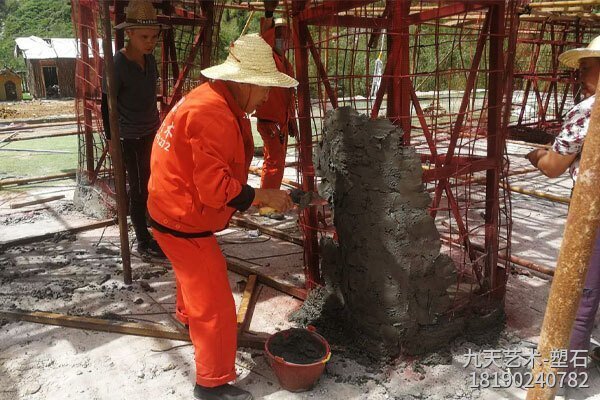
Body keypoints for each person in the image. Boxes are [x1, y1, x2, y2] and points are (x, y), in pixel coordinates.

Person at [147, 34, 298, 400]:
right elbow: (214, 188)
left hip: (169, 206)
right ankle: (212, 385)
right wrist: (262, 196)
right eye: (264, 89)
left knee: (193, 281)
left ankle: (187, 316)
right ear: (245, 82)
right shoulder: (212, 112)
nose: (266, 98)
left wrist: (255, 195)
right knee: (216, 306)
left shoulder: (214, 100)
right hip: (182, 220)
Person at [526, 36, 600, 367]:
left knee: (581, 291)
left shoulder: (588, 112)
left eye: (586, 68)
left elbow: (554, 167)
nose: (580, 76)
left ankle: (565, 369)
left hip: (593, 211)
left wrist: (537, 154)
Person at [101, 0, 167, 258]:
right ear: (129, 34)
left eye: (153, 37)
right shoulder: (117, 65)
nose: (150, 42)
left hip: (152, 131)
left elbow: (150, 96)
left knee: (156, 185)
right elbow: (107, 105)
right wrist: (111, 139)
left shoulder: (149, 61)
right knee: (138, 189)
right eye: (144, 37)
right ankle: (142, 241)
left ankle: (154, 229)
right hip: (129, 136)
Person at [253, 9, 296, 193]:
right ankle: (267, 202)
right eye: (279, 36)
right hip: (271, 122)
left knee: (277, 162)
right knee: (273, 163)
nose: (283, 40)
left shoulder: (286, 64)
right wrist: (269, 15)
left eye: (285, 37)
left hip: (281, 121)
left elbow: (289, 95)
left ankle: (271, 197)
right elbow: (265, 40)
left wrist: (292, 120)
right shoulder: (269, 58)